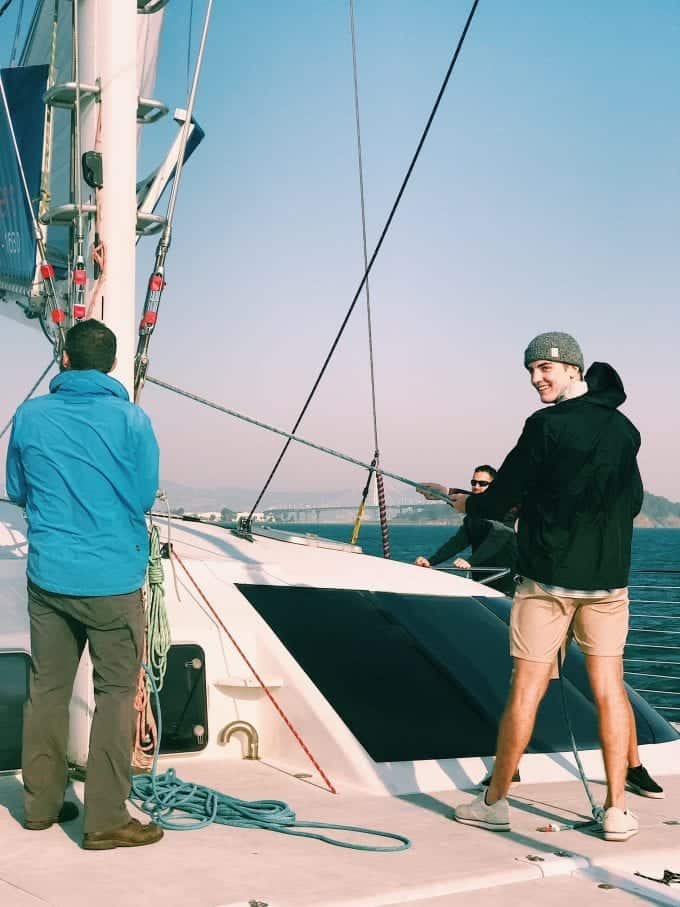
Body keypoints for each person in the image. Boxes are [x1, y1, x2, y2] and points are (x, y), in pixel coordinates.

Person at [451, 331, 650, 842]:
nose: (537, 378)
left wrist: (466, 504)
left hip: (547, 583)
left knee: (527, 691)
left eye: (545, 368)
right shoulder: (625, 430)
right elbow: (630, 502)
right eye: (532, 370)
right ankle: (617, 810)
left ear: (573, 370)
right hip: (608, 585)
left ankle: (495, 804)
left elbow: (499, 499)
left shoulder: (544, 426)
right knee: (609, 691)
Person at [5, 319, 164, 850]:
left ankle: (41, 806)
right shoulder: (133, 421)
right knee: (116, 694)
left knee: (47, 690)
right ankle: (104, 819)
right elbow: (143, 497)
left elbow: (16, 489)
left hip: (49, 578)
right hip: (114, 581)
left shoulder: (29, 415)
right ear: (113, 365)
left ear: (64, 360)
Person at [414, 466, 517, 595]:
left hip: (508, 583)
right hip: (482, 583)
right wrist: (431, 561)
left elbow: (497, 539)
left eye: (482, 483)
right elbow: (458, 542)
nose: (476, 486)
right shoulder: (472, 518)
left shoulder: (506, 514)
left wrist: (470, 561)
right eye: (473, 483)